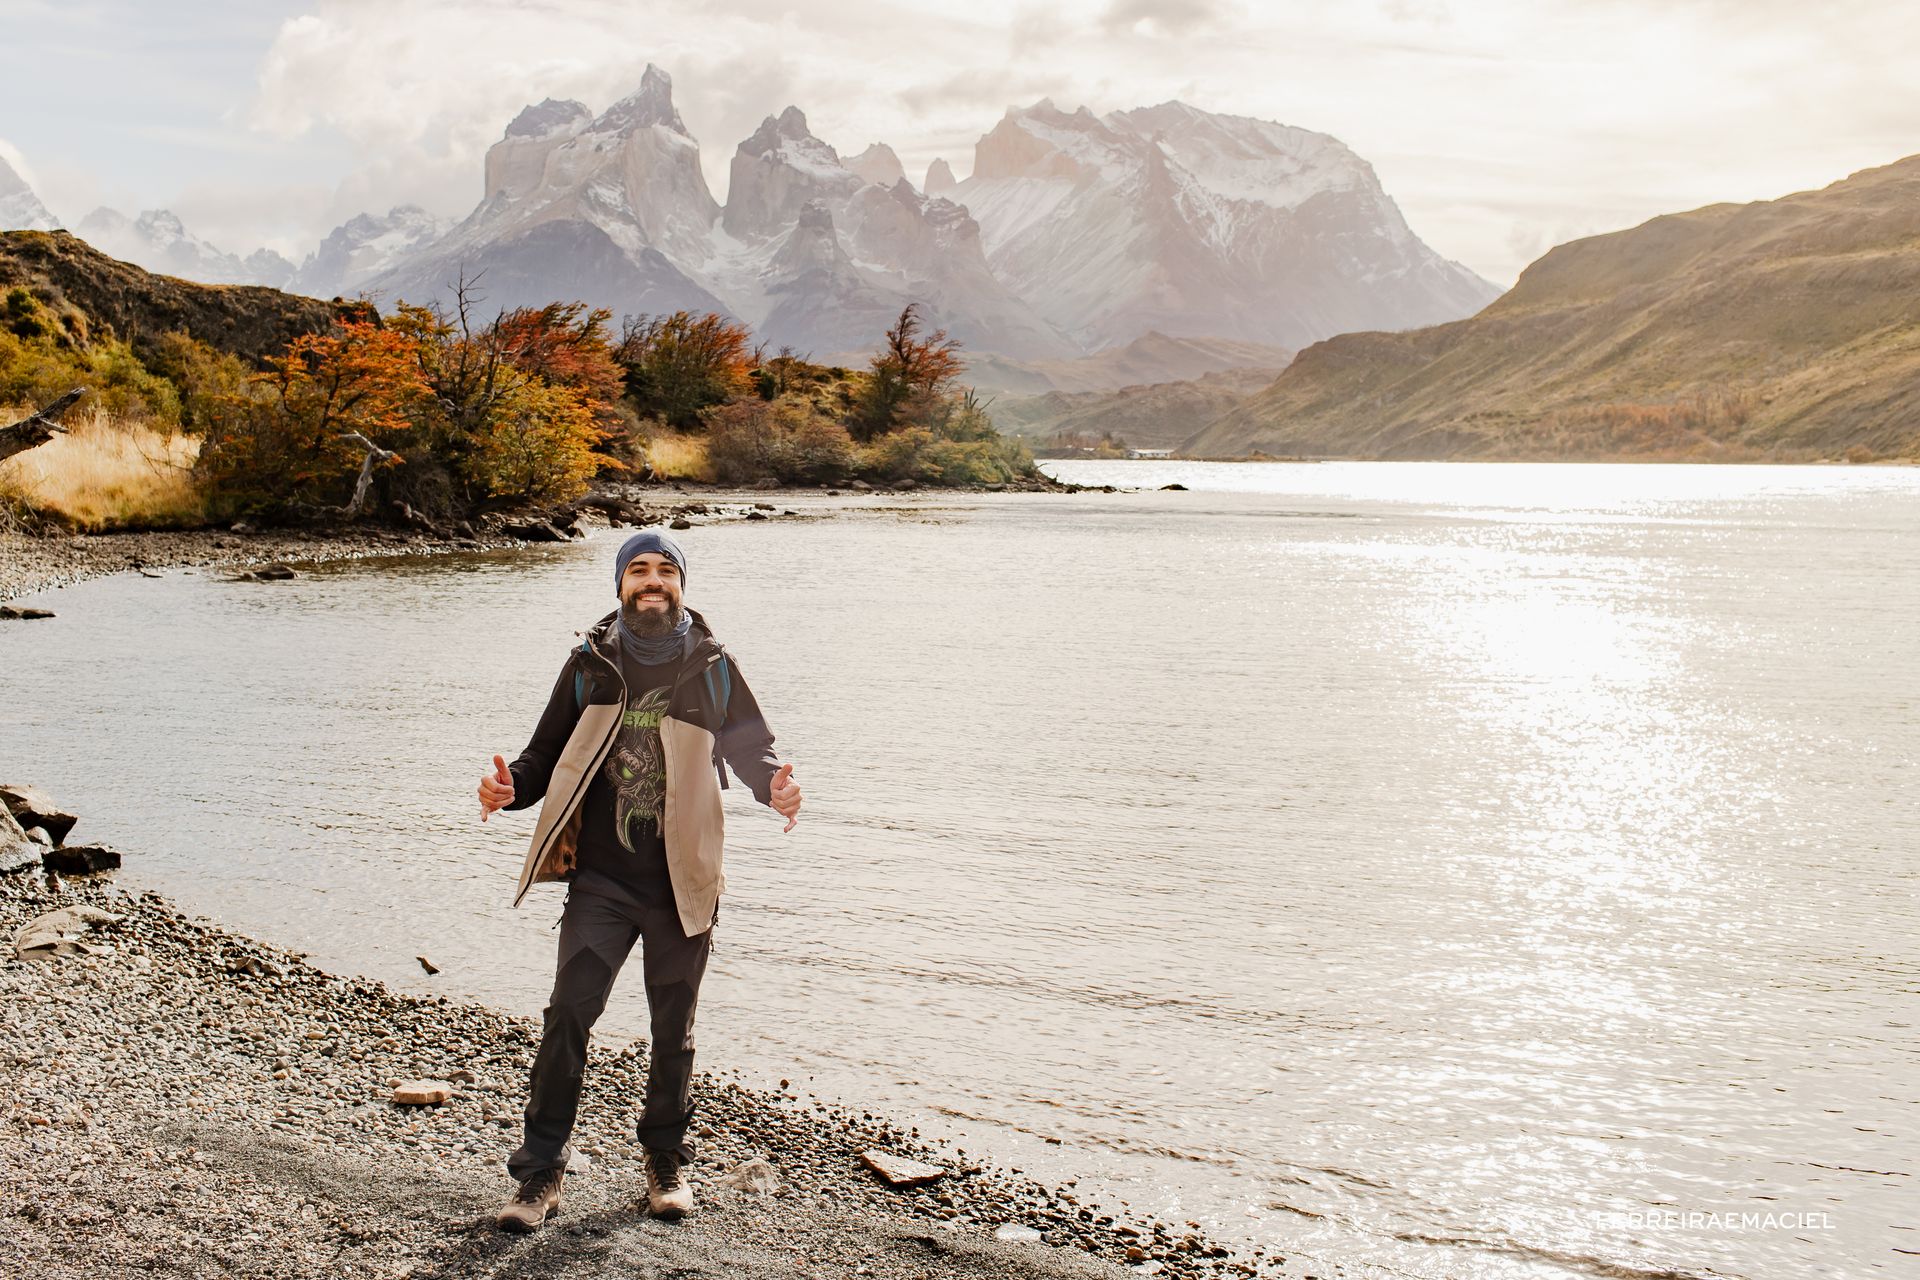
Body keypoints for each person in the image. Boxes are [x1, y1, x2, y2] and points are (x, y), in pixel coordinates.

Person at [477, 530, 802, 1232]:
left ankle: (665, 1161)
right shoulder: (590, 664)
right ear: (620, 585)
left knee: (671, 1030)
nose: (651, 582)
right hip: (600, 880)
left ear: (681, 584)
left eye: (664, 571)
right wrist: (511, 790)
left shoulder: (712, 665)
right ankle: (539, 1172)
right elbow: (541, 755)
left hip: (682, 881)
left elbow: (751, 747)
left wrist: (773, 786)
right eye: (638, 571)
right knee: (568, 1016)